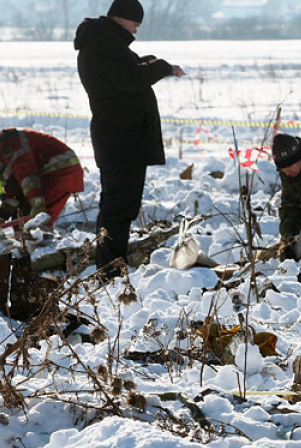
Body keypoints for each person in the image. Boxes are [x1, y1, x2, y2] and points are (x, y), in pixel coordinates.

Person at [74, 0, 185, 278]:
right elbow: (130, 79)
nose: (137, 27)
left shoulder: (104, 43)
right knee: (119, 208)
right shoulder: (106, 44)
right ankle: (110, 271)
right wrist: (160, 67)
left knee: (115, 205)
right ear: (121, 18)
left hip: (119, 139)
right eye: (135, 21)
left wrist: (157, 64)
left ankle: (108, 264)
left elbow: (130, 68)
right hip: (122, 140)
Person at [0, 128, 84, 232]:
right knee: (21, 223)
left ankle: (45, 257)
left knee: (35, 224)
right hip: (48, 174)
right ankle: (30, 255)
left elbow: (27, 176)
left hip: (60, 171)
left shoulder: (8, 145)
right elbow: (14, 192)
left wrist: (37, 203)